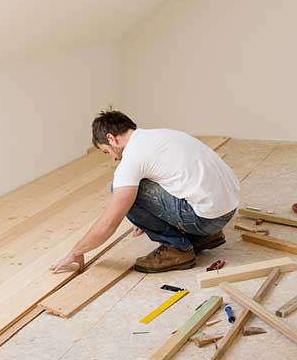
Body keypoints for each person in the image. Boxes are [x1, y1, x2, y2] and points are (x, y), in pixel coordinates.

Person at [51, 110, 239, 274]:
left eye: (107, 151)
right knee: (136, 184)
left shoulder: (132, 158)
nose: (114, 158)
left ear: (111, 138)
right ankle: (206, 237)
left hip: (206, 220)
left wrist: (76, 252)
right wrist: (151, 214)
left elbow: (108, 223)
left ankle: (178, 248)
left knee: (119, 188)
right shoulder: (161, 135)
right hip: (227, 210)